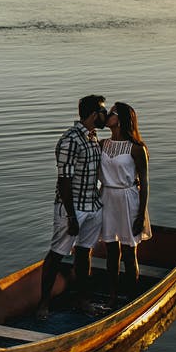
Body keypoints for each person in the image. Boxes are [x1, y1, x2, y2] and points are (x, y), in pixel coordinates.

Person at [37, 95, 108, 321]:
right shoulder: (70, 139)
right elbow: (64, 180)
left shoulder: (93, 137)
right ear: (94, 114)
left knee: (84, 254)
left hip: (92, 205)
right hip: (73, 208)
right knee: (57, 253)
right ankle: (43, 304)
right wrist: (71, 216)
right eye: (103, 112)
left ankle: (82, 299)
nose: (105, 116)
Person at [99, 102, 151, 307]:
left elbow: (145, 184)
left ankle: (132, 299)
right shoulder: (102, 144)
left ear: (119, 119)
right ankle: (112, 298)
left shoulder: (137, 149)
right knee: (111, 252)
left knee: (130, 253)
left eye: (111, 113)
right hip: (107, 198)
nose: (107, 116)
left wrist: (140, 214)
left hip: (128, 199)